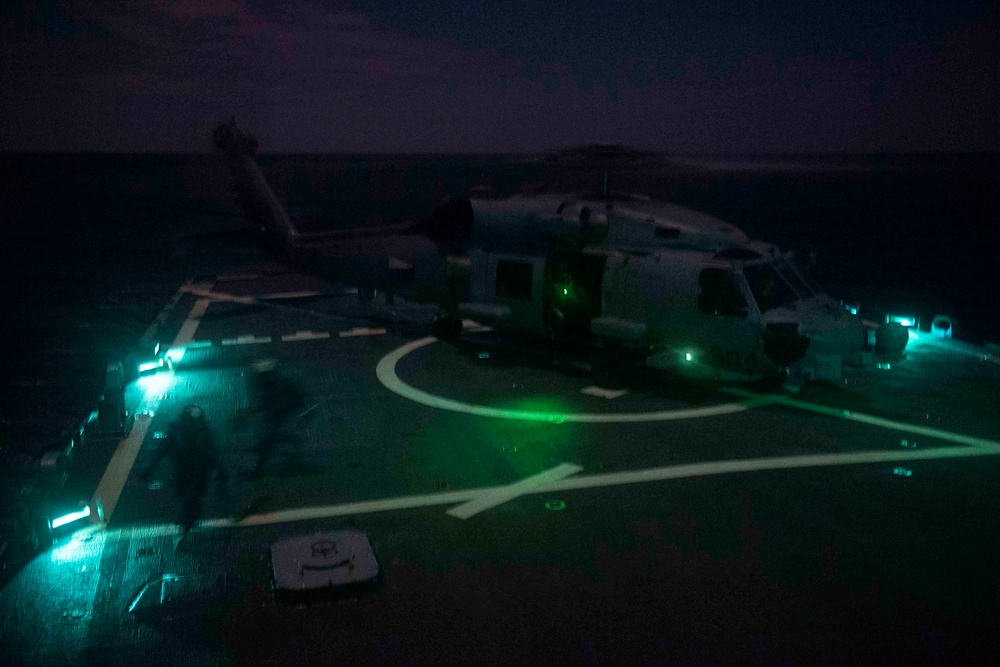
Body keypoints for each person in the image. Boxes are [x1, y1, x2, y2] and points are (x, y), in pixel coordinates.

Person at [140, 405, 225, 542]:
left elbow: (162, 450)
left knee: (189, 499)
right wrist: (220, 471)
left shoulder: (177, 429)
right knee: (193, 499)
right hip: (197, 471)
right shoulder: (203, 430)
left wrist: (149, 470)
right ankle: (190, 523)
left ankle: (187, 526)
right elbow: (212, 451)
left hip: (187, 471)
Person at [234, 359, 308, 478]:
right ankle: (286, 441)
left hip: (282, 411)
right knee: (271, 435)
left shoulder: (273, 384)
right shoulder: (269, 381)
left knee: (269, 439)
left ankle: (258, 469)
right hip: (279, 411)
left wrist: (252, 412)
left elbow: (270, 402)